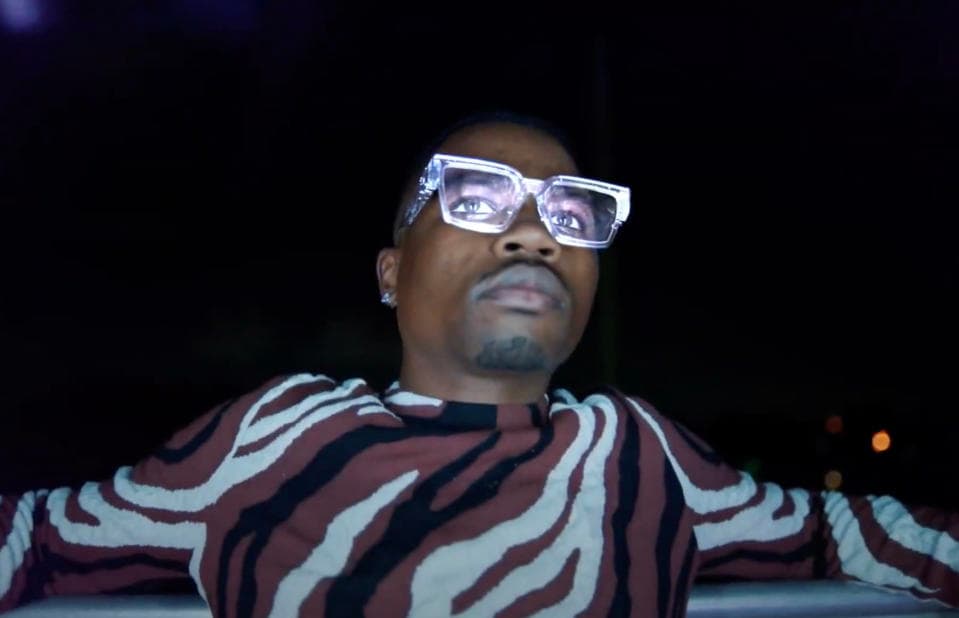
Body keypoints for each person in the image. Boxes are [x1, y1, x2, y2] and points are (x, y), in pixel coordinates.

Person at [1, 113, 956, 617]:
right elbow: (37, 535)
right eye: (475, 197)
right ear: (391, 273)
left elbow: (856, 534)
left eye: (571, 211)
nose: (535, 232)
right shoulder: (268, 438)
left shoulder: (641, 454)